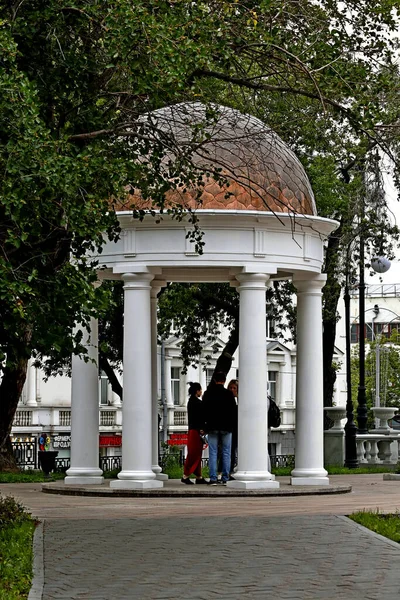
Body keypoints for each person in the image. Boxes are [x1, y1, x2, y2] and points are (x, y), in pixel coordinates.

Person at [203, 372, 237, 485]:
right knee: (226, 452)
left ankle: (213, 478)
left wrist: (205, 426)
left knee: (213, 452)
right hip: (226, 427)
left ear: (214, 380)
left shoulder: (208, 394)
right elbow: (233, 411)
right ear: (224, 380)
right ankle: (225, 477)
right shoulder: (229, 394)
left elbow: (205, 411)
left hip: (212, 426)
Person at [181, 382, 208, 485]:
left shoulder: (190, 402)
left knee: (195, 453)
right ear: (197, 391)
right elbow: (201, 417)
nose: (201, 392)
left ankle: (198, 476)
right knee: (194, 454)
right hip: (196, 431)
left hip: (192, 430)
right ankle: (186, 475)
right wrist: (203, 428)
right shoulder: (198, 403)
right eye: (200, 390)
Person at [227, 379, 238, 477]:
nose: (232, 390)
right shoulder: (228, 400)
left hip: (240, 428)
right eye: (230, 388)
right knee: (230, 450)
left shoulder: (241, 400)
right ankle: (229, 470)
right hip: (231, 428)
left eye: (234, 388)